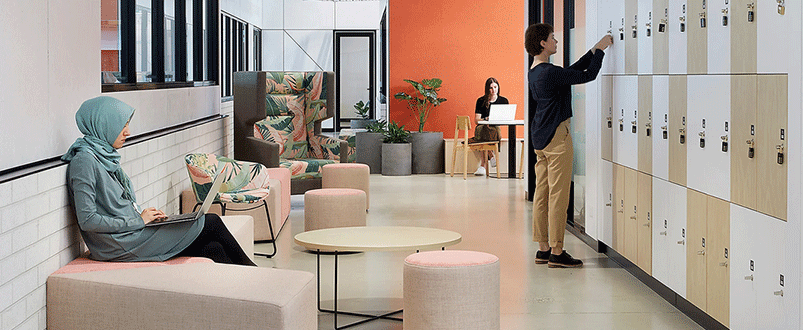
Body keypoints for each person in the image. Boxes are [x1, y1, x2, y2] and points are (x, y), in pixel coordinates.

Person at [63, 96, 256, 266]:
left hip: (131, 233)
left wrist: (148, 218)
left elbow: (119, 205)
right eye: (122, 125)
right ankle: (256, 277)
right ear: (103, 124)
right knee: (210, 221)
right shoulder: (84, 162)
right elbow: (88, 220)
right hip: (118, 244)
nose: (128, 132)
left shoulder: (104, 156)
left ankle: (245, 291)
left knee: (213, 249)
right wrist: (138, 221)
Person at [526, 23, 613, 268]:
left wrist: (595, 49)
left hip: (540, 138)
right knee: (559, 196)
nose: (556, 41)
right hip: (557, 137)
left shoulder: (536, 71)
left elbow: (569, 72)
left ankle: (543, 248)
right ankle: (557, 251)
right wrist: (602, 53)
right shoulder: (550, 72)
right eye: (553, 38)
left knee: (541, 194)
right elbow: (587, 75)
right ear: (542, 43)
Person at [471, 77, 509, 176]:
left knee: (490, 131)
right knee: (483, 128)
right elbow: (476, 120)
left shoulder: (503, 101)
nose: (493, 90)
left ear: (498, 87)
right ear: (487, 89)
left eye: (495, 87)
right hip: (482, 126)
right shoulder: (481, 101)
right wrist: (486, 119)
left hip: (495, 127)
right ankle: (491, 155)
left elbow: (507, 117)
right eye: (491, 88)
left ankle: (483, 165)